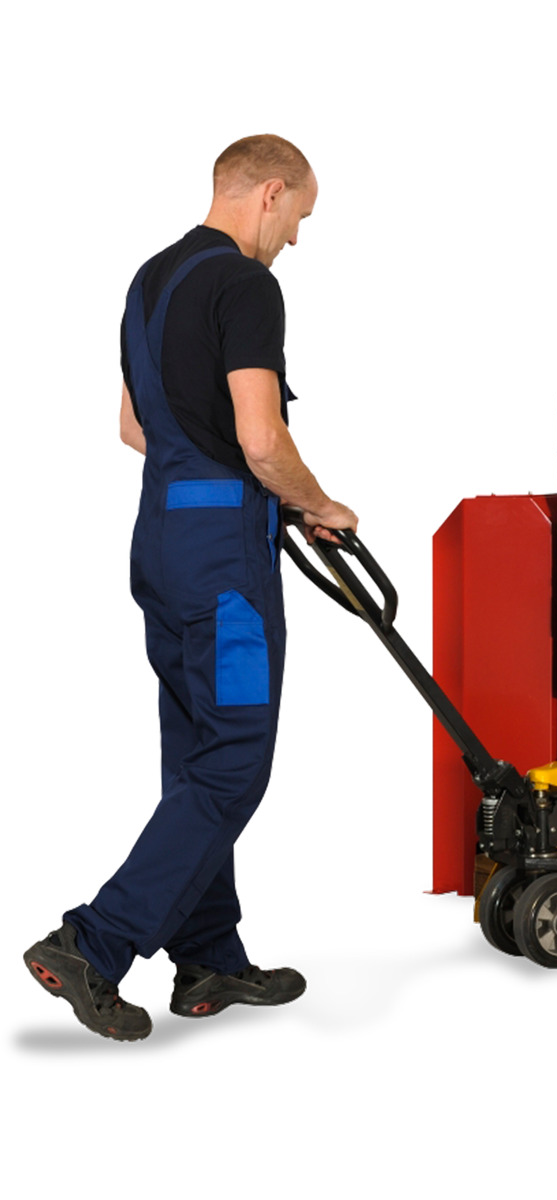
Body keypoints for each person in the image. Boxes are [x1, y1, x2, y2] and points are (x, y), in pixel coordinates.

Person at [24, 134, 356, 1041]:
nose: (296, 239)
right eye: (299, 218)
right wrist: (315, 503)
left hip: (161, 539)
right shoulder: (247, 286)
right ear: (270, 192)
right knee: (235, 758)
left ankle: (209, 955)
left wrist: (218, 477)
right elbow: (260, 438)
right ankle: (94, 943)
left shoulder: (148, 281)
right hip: (223, 565)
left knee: (195, 757)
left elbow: (133, 427)